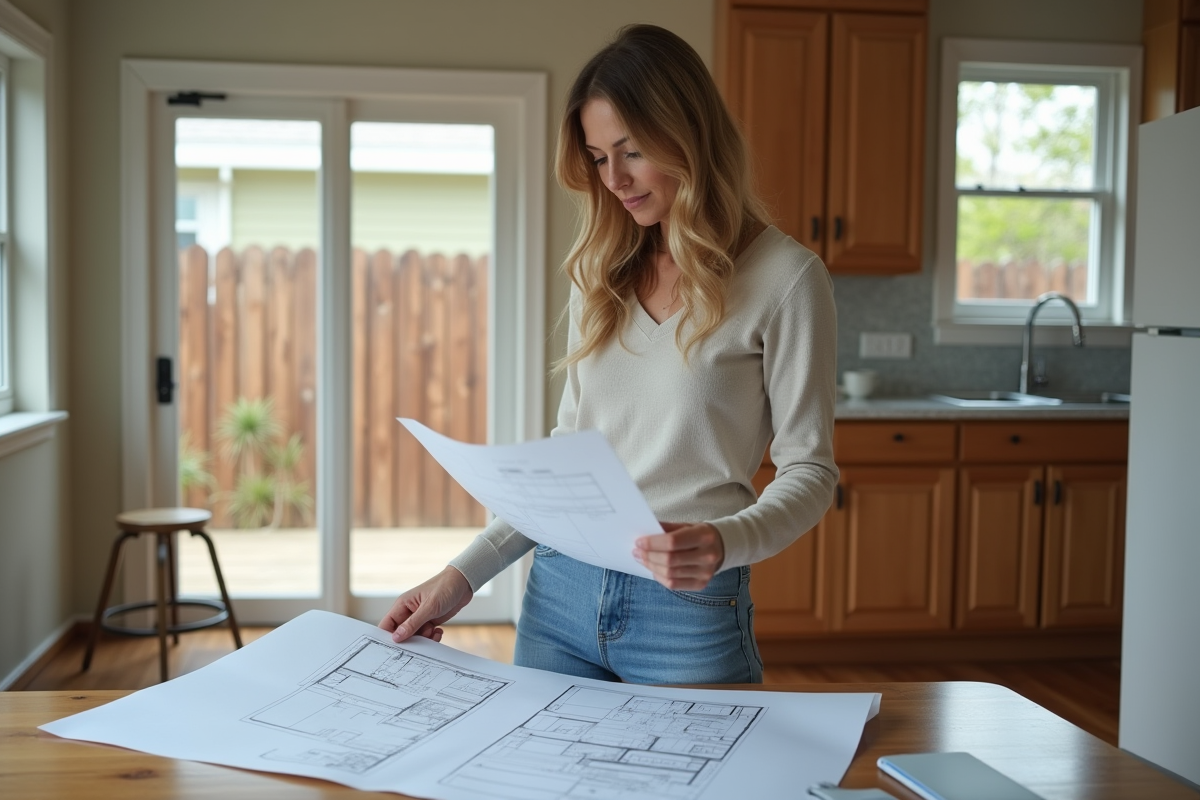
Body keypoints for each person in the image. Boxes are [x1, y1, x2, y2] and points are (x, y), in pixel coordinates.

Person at [380, 24, 837, 685]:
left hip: (687, 610)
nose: (614, 179)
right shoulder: (600, 272)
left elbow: (811, 473)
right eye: (597, 157)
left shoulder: (787, 279)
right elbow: (567, 464)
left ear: (690, 136)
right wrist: (461, 577)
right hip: (558, 595)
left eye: (631, 151)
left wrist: (725, 542)